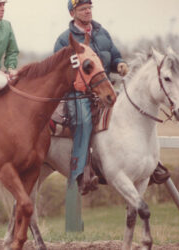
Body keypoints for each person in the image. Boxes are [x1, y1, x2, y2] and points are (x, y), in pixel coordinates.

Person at [54, 0, 129, 195]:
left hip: (104, 87)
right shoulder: (65, 40)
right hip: (78, 93)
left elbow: (114, 55)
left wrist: (119, 64)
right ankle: (80, 174)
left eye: (89, 8)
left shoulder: (102, 33)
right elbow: (59, 71)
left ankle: (150, 164)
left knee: (132, 110)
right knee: (83, 121)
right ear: (73, 13)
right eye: (82, 9)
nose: (88, 12)